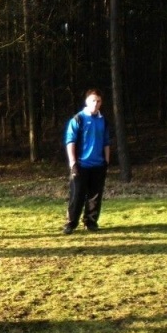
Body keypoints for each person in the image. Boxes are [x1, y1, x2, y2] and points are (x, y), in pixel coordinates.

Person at [63, 88, 111, 234]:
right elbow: (70, 141)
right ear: (87, 101)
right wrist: (73, 163)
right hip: (81, 165)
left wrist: (106, 161)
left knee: (95, 196)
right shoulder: (78, 119)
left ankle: (91, 222)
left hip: (98, 165)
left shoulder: (103, 120)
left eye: (98, 101)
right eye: (93, 100)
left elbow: (106, 142)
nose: (95, 104)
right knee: (77, 195)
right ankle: (70, 224)